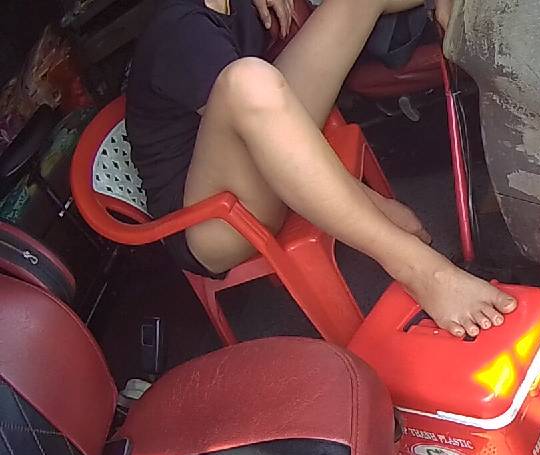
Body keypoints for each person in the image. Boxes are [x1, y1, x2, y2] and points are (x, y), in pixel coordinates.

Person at [127, 0, 514, 338]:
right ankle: (419, 269)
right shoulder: (180, 32)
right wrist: (373, 204)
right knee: (246, 81)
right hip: (210, 222)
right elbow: (261, 141)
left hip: (254, 157)